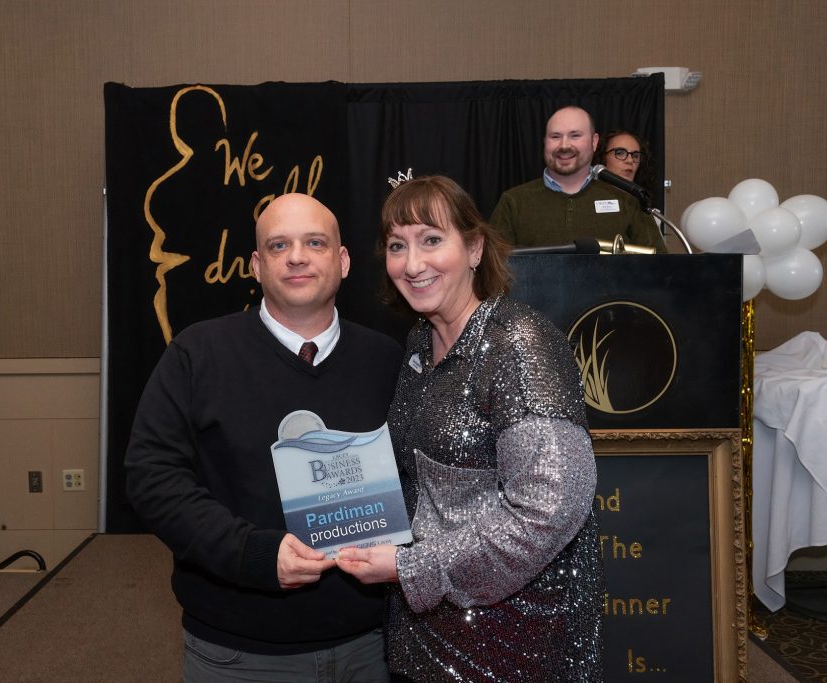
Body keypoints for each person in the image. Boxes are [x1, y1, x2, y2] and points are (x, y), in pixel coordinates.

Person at [126, 192, 403, 682]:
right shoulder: (197, 355)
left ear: (342, 261)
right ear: (256, 265)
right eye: (278, 246)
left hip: (372, 646)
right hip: (240, 654)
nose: (296, 256)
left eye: (314, 242)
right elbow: (152, 479)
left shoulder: (388, 361)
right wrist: (250, 553)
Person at [337, 175, 604, 682]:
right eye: (398, 246)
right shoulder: (420, 341)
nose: (412, 264)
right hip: (427, 620)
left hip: (512, 632)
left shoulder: (518, 343)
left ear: (475, 247)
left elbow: (551, 506)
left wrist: (411, 568)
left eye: (432, 240)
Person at [489, 105, 666, 252]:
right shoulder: (513, 202)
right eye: (555, 136)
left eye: (575, 135)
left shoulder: (628, 200)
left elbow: (659, 268)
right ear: (545, 142)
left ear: (594, 142)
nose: (564, 145)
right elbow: (492, 273)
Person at [594, 129, 655, 193]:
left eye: (635, 156)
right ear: (602, 157)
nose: (630, 160)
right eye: (620, 153)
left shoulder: (641, 198)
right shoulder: (588, 197)